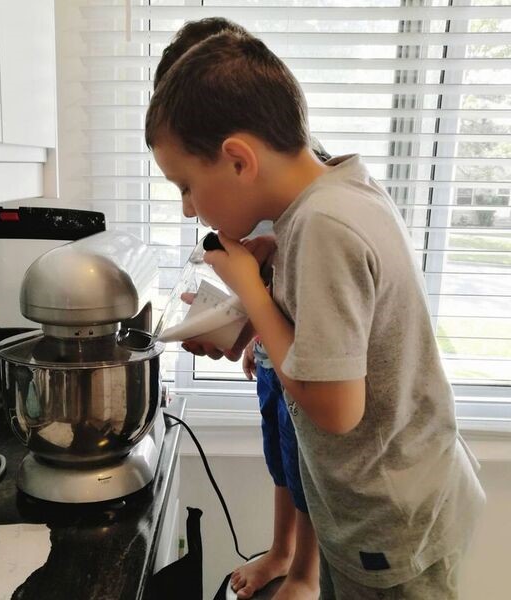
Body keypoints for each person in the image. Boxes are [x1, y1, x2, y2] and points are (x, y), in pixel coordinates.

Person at [145, 25, 486, 599]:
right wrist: (253, 310)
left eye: (186, 185)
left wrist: (251, 291)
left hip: (389, 523)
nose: (188, 210)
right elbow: (343, 325)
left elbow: (335, 407)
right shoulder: (339, 191)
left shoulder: (322, 227)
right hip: (398, 502)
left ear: (237, 159)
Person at [154, 19, 321, 600]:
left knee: (306, 469)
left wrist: (252, 305)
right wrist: (245, 331)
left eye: (187, 186)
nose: (186, 210)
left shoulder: (308, 208)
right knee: (282, 458)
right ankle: (281, 553)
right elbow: (278, 292)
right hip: (279, 363)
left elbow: (324, 367)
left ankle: (304, 570)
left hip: (308, 374)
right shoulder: (275, 203)